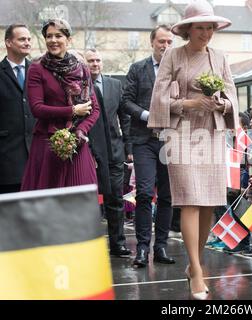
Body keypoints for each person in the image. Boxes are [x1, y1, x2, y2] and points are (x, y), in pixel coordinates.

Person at [147, 0, 238, 299]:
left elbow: (231, 96)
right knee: (189, 200)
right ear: (188, 29)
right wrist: (188, 103)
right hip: (182, 134)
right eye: (201, 26)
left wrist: (222, 104)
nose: (207, 32)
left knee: (209, 201)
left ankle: (194, 264)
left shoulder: (220, 57)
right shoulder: (173, 56)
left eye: (210, 27)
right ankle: (197, 270)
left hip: (211, 133)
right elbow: (159, 98)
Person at [21, 19, 99, 191]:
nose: (53, 40)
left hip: (78, 143)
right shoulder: (37, 69)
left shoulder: (82, 69)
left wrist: (81, 130)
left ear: (68, 39)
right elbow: (37, 108)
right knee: (48, 199)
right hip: (48, 142)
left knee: (79, 199)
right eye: (49, 36)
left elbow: (94, 109)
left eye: (58, 35)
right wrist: (71, 110)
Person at [122, 25, 175, 268]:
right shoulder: (138, 69)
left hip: (170, 141)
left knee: (167, 195)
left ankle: (161, 246)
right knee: (144, 193)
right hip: (144, 140)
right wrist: (147, 115)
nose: (165, 46)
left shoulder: (178, 70)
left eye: (169, 42)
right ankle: (142, 249)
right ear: (152, 43)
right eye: (161, 42)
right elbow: (125, 101)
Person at [85, 48, 132, 257]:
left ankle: (118, 244)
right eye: (90, 61)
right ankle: (89, 246)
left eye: (97, 60)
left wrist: (128, 148)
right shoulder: (78, 86)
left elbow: (125, 118)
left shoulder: (115, 85)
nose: (94, 64)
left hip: (114, 150)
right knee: (89, 201)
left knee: (115, 199)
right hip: (89, 151)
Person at [0, 24, 35, 194]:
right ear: (8, 42)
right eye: (22, 39)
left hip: (37, 158)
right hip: (7, 160)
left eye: (29, 39)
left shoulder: (38, 72)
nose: (27, 42)